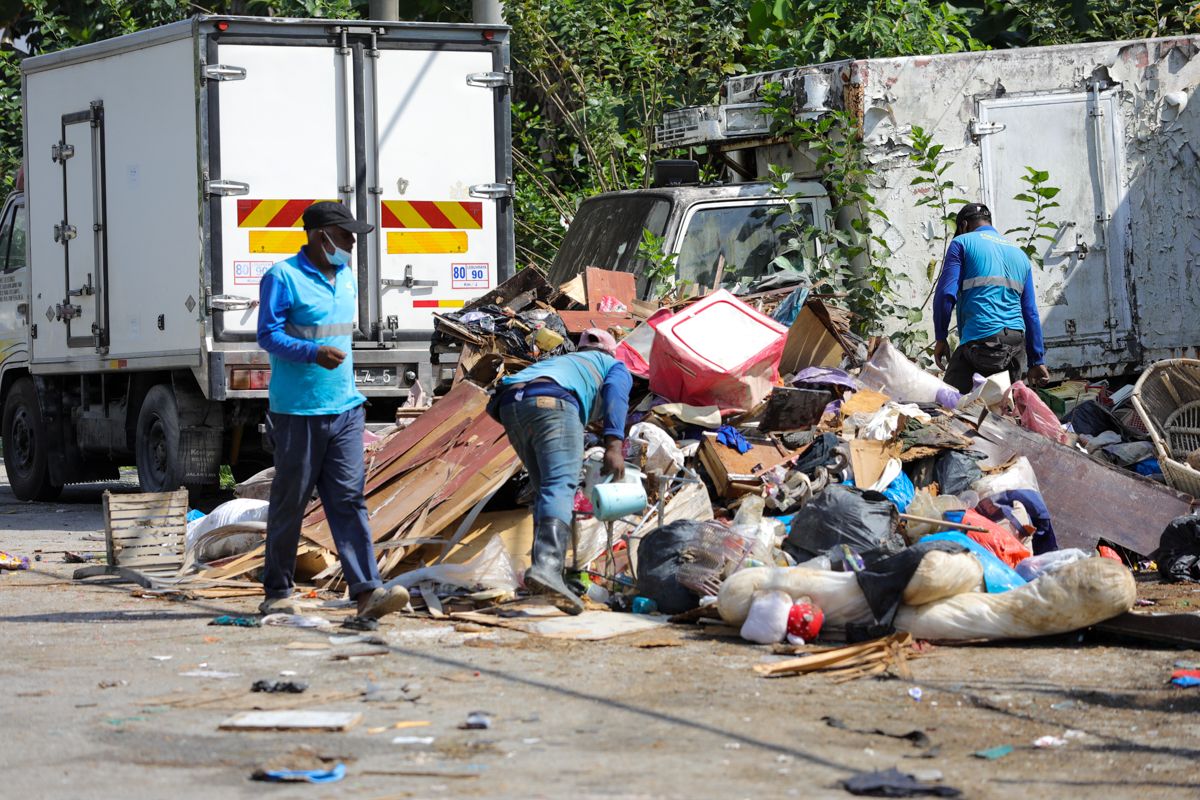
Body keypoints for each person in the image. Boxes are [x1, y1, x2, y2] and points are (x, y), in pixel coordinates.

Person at [256, 201, 408, 626]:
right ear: (320, 235)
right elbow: (268, 335)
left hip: (345, 407)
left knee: (348, 501)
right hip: (298, 411)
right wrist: (312, 352)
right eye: (345, 236)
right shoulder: (282, 277)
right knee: (292, 502)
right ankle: (278, 592)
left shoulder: (346, 279)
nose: (352, 244)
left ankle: (366, 591)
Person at [490, 328, 633, 614]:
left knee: (546, 489)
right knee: (559, 486)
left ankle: (548, 574)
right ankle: (547, 568)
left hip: (509, 404)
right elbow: (617, 393)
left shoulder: (565, 363)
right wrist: (614, 446)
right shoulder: (614, 365)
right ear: (610, 351)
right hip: (552, 402)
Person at [932, 203, 1050, 394]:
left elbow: (946, 294)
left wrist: (940, 337)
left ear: (963, 226)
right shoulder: (1020, 254)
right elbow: (1030, 312)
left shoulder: (961, 243)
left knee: (949, 404)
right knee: (1002, 411)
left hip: (980, 342)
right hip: (1014, 345)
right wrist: (1037, 360)